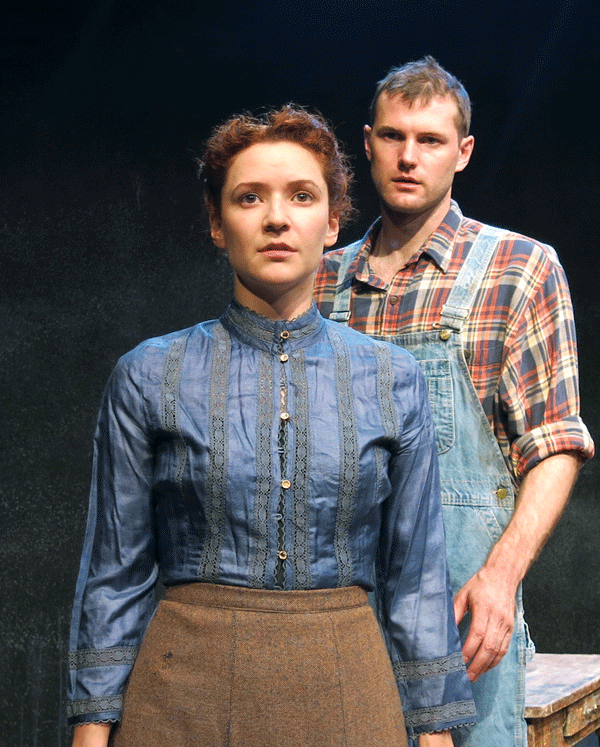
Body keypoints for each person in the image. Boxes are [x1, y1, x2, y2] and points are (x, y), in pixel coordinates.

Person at [67, 105, 477, 747]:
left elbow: (417, 580)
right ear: (216, 223)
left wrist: (435, 733)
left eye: (302, 196)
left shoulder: (393, 380)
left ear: (333, 221)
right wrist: (90, 731)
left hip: (349, 691)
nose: (277, 218)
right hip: (181, 697)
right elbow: (114, 574)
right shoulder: (149, 375)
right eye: (249, 197)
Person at [314, 57, 595, 747]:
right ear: (368, 143)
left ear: (462, 152)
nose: (409, 157)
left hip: (463, 619)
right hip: (334, 623)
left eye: (431, 140)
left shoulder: (518, 267)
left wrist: (501, 579)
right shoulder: (322, 284)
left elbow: (555, 443)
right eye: (393, 136)